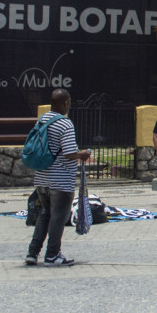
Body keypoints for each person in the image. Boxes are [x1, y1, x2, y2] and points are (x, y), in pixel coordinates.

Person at [26, 89, 91, 267]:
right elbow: (69, 152)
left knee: (44, 214)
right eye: (68, 102)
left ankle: (32, 253)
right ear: (65, 103)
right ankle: (52, 255)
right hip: (60, 180)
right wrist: (83, 154)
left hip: (42, 178)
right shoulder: (65, 123)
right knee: (58, 217)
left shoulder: (42, 119)